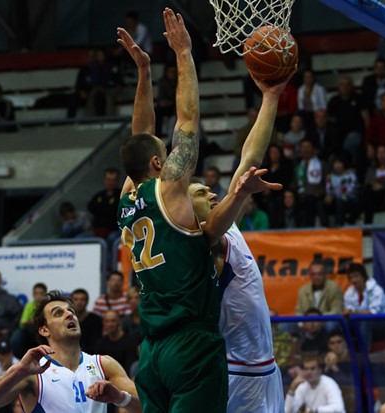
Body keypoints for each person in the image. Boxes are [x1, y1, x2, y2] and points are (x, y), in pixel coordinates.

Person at [116, 11, 238, 412]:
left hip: (151, 353)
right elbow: (187, 118)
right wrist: (184, 53)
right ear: (157, 165)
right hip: (191, 345)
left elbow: (141, 135)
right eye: (164, 156)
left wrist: (145, 73)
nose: (170, 160)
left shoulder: (127, 198)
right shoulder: (169, 189)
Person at [187, 66, 293, 412]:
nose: (213, 194)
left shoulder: (226, 224)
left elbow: (250, 156)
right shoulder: (201, 241)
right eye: (203, 193)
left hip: (265, 369)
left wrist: (270, 97)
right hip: (238, 373)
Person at [0, 290, 141, 413]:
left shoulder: (104, 364)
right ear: (44, 330)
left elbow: (149, 406)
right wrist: (19, 370)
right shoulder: (32, 372)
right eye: (58, 313)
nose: (69, 314)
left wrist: (120, 398)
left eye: (71, 311)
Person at [94, 310, 138, 374]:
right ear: (103, 323)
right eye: (107, 321)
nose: (110, 324)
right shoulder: (100, 343)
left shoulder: (130, 342)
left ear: (119, 322)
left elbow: (131, 368)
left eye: (113, 321)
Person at [10, 282, 47, 358]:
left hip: (45, 331)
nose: (38, 296)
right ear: (33, 295)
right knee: (18, 334)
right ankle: (19, 358)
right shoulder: (29, 305)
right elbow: (23, 322)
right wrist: (37, 321)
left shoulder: (48, 305)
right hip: (30, 332)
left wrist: (32, 321)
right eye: (36, 294)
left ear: (45, 295)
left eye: (41, 293)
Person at [87, 168, 121, 239]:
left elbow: (114, 211)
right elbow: (91, 207)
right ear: (104, 180)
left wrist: (102, 209)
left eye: (113, 180)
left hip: (114, 231)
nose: (110, 183)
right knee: (81, 237)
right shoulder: (98, 196)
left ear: (117, 181)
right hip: (97, 230)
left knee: (112, 238)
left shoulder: (121, 195)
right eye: (108, 180)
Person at [324, 156, 358, 226]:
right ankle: (326, 227)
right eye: (335, 163)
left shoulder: (350, 175)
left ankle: (339, 225)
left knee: (341, 200)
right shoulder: (330, 177)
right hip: (335, 199)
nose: (337, 165)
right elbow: (329, 191)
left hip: (349, 199)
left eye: (339, 163)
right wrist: (329, 195)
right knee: (321, 204)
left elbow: (350, 190)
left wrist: (337, 194)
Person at [71, 288, 102, 355]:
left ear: (87, 301)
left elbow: (97, 343)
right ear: (71, 302)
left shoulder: (96, 320)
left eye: (82, 299)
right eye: (76, 299)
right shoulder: (68, 320)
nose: (79, 302)